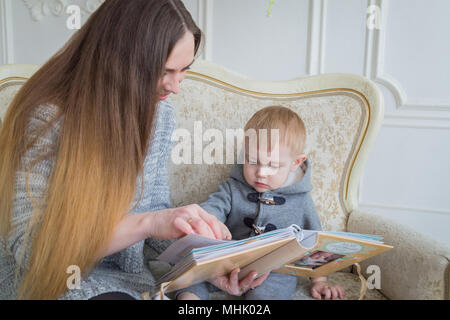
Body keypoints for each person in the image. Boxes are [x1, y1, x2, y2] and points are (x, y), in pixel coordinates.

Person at [0, 0, 266, 300]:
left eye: (184, 70)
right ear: (121, 60)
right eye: (165, 71)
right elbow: (30, 249)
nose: (176, 86)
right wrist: (150, 223)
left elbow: (153, 214)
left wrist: (207, 265)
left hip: (126, 281)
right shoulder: (47, 117)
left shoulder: (160, 116)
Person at [176, 106, 345, 300]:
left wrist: (320, 281)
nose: (261, 173)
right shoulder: (232, 188)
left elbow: (316, 242)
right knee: (190, 280)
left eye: (273, 165)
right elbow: (210, 211)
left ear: (295, 163)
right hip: (225, 266)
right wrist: (210, 224)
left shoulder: (302, 200)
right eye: (253, 161)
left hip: (274, 273)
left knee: (269, 294)